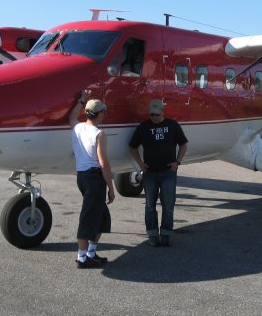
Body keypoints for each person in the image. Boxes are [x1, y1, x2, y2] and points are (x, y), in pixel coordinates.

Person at [129, 99, 188, 247]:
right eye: (151, 114)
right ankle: (152, 234)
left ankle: (166, 233)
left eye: (156, 114)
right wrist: (140, 164)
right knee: (150, 205)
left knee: (168, 204)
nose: (154, 117)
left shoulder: (172, 125)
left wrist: (178, 162)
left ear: (163, 112)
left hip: (168, 172)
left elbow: (183, 144)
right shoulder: (144, 127)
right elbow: (133, 146)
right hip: (150, 173)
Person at [69, 89, 115, 268]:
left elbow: (72, 116)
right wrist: (111, 187)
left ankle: (91, 253)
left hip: (82, 177)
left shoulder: (78, 127)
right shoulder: (99, 134)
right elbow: (104, 164)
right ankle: (82, 258)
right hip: (94, 179)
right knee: (89, 217)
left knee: (102, 217)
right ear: (100, 113)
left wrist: (81, 100)